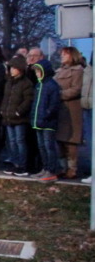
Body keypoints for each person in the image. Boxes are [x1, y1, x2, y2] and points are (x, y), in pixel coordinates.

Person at [0, 55, 34, 176]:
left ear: (20, 69)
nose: (11, 70)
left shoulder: (26, 83)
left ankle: (22, 165)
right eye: (10, 68)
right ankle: (15, 164)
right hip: (8, 116)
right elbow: (6, 99)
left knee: (20, 141)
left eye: (14, 68)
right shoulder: (9, 82)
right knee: (12, 141)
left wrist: (19, 111)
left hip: (19, 118)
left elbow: (28, 100)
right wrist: (3, 111)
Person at [54, 46, 84, 179]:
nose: (62, 56)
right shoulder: (59, 71)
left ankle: (72, 168)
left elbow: (76, 89)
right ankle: (62, 166)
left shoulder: (78, 70)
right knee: (59, 139)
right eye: (62, 54)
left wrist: (59, 94)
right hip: (59, 109)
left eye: (65, 54)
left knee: (70, 140)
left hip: (71, 108)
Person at [30, 62, 60, 181]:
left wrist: (47, 115)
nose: (37, 74)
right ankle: (45, 168)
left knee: (49, 147)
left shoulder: (52, 85)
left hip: (48, 122)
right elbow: (35, 104)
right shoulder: (38, 85)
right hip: (38, 121)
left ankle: (51, 171)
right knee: (42, 147)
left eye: (38, 71)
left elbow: (54, 105)